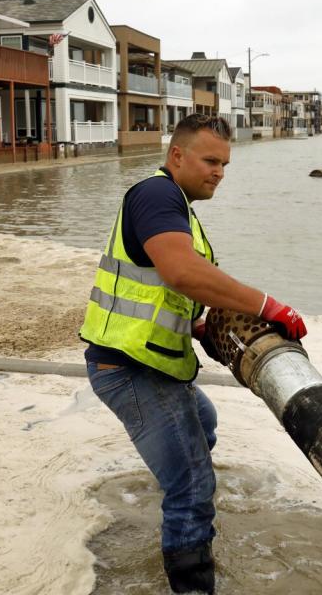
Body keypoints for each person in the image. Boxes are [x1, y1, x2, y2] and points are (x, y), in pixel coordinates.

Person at [79, 113, 307, 593]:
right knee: (193, 489)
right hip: (130, 368)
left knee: (202, 424)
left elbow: (163, 291)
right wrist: (269, 305)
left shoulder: (177, 206)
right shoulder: (157, 195)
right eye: (209, 160)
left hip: (150, 361)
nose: (219, 172)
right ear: (176, 155)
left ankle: (178, 497)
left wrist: (198, 325)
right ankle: (192, 580)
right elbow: (182, 272)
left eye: (224, 164)